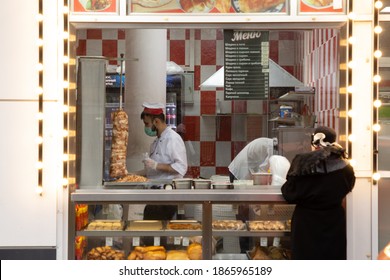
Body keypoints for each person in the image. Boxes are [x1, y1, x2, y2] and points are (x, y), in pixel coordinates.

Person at [281, 126, 356, 260]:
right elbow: (349, 187)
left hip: (306, 224)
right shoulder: (346, 167)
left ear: (314, 143)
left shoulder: (302, 163)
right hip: (334, 222)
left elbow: (289, 194)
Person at [140, 102, 188, 221]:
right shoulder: (156, 142)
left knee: (155, 233)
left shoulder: (173, 138)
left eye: (147, 123)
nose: (146, 128)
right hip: (154, 195)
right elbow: (151, 171)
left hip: (166, 196)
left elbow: (181, 167)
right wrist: (130, 175)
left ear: (156, 121)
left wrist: (156, 165)